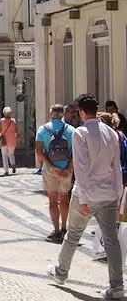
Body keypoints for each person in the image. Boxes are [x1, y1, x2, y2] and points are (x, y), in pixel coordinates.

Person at [48, 94, 124, 299]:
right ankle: (117, 287)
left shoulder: (80, 133)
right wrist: (118, 196)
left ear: (81, 112)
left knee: (73, 235)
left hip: (86, 195)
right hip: (109, 194)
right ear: (96, 109)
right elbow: (116, 168)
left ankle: (61, 273)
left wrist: (84, 200)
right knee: (111, 241)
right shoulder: (111, 133)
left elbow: (80, 170)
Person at [36, 104, 76, 242]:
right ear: (63, 114)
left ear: (51, 113)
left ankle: (56, 230)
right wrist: (69, 168)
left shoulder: (43, 129)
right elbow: (76, 152)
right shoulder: (71, 130)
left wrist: (53, 167)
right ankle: (64, 228)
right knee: (64, 199)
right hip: (66, 169)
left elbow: (39, 152)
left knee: (53, 201)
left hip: (49, 170)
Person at [0, 107, 20, 176]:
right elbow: (17, 132)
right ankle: (13, 164)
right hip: (12, 140)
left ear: (4, 113)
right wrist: (17, 139)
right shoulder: (13, 121)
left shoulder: (2, 121)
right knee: (11, 154)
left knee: (4, 156)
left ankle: (6, 171)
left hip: (3, 140)